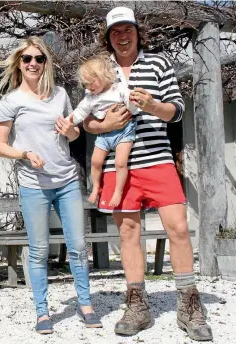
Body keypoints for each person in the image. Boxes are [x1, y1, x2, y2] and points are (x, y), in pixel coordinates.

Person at [83, 7, 213, 341]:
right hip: (117, 165)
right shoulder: (101, 68)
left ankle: (189, 304)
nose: (122, 37)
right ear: (108, 37)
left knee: (179, 228)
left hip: (157, 159)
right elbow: (87, 119)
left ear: (139, 33)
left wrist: (153, 106)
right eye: (115, 32)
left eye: (127, 30)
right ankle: (137, 304)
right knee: (128, 233)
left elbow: (177, 110)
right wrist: (105, 125)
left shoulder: (157, 63)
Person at [0, 36, 102, 334]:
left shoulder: (60, 94)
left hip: (67, 180)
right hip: (33, 184)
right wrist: (25, 154)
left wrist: (72, 131)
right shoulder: (12, 100)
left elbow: (74, 135)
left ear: (46, 63)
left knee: (79, 246)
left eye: (39, 59)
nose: (32, 63)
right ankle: (42, 313)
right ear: (19, 63)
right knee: (39, 250)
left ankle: (85, 304)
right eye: (27, 58)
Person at [64, 55, 139, 207]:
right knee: (95, 162)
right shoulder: (91, 98)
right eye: (86, 84)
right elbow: (80, 112)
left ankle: (118, 192)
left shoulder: (118, 89)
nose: (89, 87)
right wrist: (67, 122)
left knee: (120, 163)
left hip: (124, 131)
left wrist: (132, 105)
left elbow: (130, 102)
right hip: (104, 135)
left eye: (92, 81)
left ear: (104, 76)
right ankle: (96, 187)